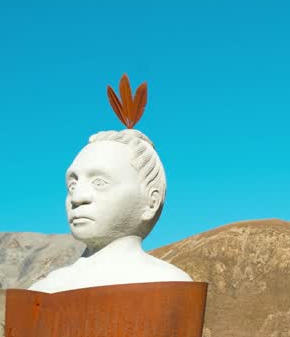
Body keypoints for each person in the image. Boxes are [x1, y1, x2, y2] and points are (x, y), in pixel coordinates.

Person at [29, 76, 191, 293]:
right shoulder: (42, 289)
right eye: (72, 186)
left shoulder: (171, 283)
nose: (77, 198)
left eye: (99, 182)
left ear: (151, 202)